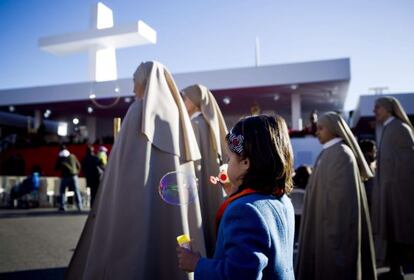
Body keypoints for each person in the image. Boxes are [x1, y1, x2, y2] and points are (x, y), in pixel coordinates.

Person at [66, 61, 206, 280]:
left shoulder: (138, 110)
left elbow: (122, 167)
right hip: (172, 200)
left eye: (135, 81)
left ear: (145, 81)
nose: (133, 89)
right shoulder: (177, 116)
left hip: (137, 199)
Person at [177, 115, 296, 279]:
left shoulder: (244, 211)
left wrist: (196, 264)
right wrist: (236, 193)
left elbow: (238, 275)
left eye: (229, 157)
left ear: (245, 163)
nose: (226, 163)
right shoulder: (281, 198)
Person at [295, 112, 376, 280]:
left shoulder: (342, 154)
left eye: (321, 128)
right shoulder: (328, 152)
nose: (317, 132)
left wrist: (330, 233)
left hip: (333, 231)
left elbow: (342, 203)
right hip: (322, 224)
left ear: (334, 128)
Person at [181, 84, 228, 257]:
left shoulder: (194, 124)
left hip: (198, 185)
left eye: (185, 97)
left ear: (195, 101)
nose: (182, 101)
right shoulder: (208, 124)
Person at [371, 96, 414, 279]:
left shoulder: (400, 128)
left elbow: (407, 163)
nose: (375, 111)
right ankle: (396, 269)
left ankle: (402, 269)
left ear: (388, 108)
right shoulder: (388, 128)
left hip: (399, 194)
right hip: (389, 192)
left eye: (378, 108)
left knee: (400, 231)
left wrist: (392, 185)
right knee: (391, 231)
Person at [55, 145, 83, 211]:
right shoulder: (73, 156)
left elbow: (56, 167)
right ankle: (79, 206)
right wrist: (76, 173)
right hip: (74, 176)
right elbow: (79, 165)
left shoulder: (60, 157)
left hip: (64, 176)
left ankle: (62, 206)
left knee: (62, 191)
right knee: (76, 191)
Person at [359, 139, 376, 208]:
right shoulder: (367, 165)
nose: (375, 152)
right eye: (374, 150)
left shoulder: (367, 164)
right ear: (368, 152)